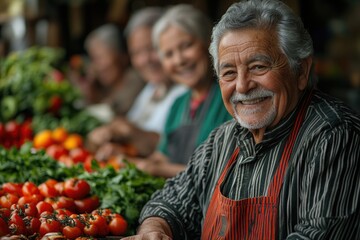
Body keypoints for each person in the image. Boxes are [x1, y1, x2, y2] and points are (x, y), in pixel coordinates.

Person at [122, 0, 360, 239]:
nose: (242, 86)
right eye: (229, 73)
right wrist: (154, 228)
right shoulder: (222, 139)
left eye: (258, 67)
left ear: (301, 71)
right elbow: (172, 199)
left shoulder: (335, 136)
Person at [128, 4, 232, 178]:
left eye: (186, 46)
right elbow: (161, 157)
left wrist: (156, 170)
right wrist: (125, 160)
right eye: (168, 54)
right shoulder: (178, 104)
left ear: (209, 42)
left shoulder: (229, 98)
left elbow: (222, 172)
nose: (179, 60)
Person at [86, 7, 188, 159]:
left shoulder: (187, 92)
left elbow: (181, 148)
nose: (145, 60)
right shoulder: (152, 88)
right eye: (136, 53)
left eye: (152, 48)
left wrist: (128, 131)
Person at [72, 23, 146, 119]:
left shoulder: (136, 80)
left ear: (121, 55)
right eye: (93, 59)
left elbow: (114, 113)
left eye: (99, 58)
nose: (96, 67)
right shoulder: (104, 88)